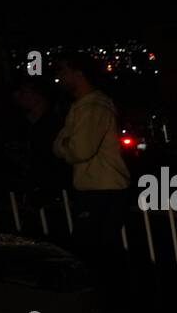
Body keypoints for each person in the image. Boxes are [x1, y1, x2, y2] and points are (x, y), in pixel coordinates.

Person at [52, 52, 131, 273]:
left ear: (78, 74)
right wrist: (66, 144)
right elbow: (63, 143)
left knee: (93, 252)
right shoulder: (85, 105)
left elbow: (79, 149)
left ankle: (109, 299)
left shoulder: (93, 106)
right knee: (99, 252)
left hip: (102, 191)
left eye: (63, 70)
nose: (59, 76)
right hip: (99, 189)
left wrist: (65, 145)